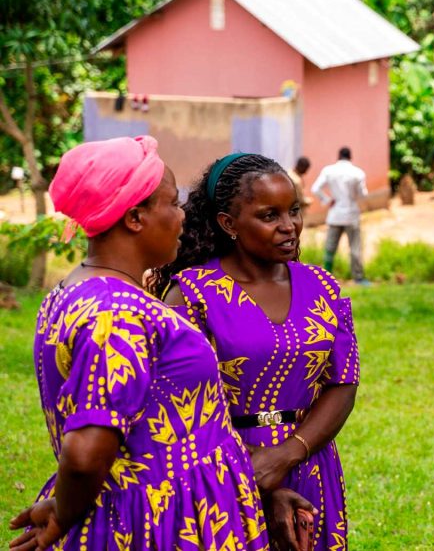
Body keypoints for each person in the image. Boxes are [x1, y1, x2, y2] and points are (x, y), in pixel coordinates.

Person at [8, 136, 305, 551]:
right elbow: (85, 452)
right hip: (158, 521)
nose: (183, 216)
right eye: (172, 203)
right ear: (134, 218)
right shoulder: (117, 315)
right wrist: (63, 511)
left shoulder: (76, 291)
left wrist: (255, 491)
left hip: (177, 507)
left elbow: (167, 416)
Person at [151, 153, 360, 551]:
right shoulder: (192, 294)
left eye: (294, 210)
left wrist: (289, 453)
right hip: (218, 465)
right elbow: (182, 404)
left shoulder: (323, 287)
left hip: (309, 459)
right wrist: (251, 467)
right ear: (228, 224)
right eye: (270, 216)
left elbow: (343, 381)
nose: (289, 226)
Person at [312, 147, 369, 285]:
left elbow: (315, 188)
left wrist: (327, 200)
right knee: (355, 247)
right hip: (351, 214)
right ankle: (358, 278)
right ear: (350, 157)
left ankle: (326, 277)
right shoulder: (357, 173)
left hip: (335, 214)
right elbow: (363, 194)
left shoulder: (328, 171)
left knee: (330, 248)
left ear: (338, 156)